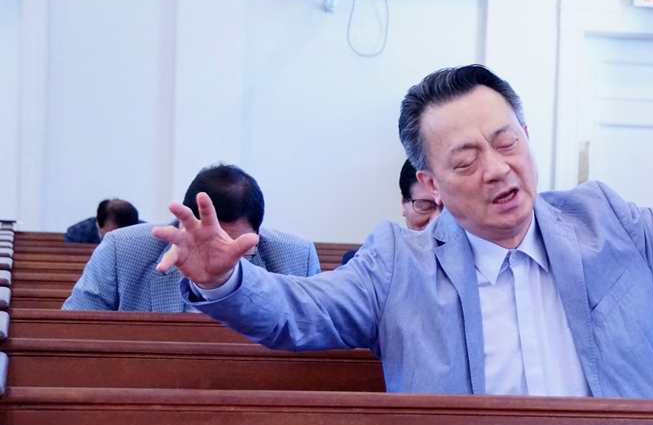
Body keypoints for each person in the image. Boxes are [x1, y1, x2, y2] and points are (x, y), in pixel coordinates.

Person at [153, 53, 653, 398]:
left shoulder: (607, 224)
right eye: (466, 158)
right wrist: (225, 279)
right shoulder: (397, 263)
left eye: (507, 140)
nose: (497, 169)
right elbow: (300, 313)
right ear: (431, 182)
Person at [63, 164, 321, 312]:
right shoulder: (121, 251)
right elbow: (75, 335)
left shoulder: (297, 258)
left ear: (257, 233)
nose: (220, 260)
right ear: (182, 223)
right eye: (207, 247)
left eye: (236, 249)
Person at [342, 159, 442, 265]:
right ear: (404, 203)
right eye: (425, 206)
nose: (437, 218)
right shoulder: (375, 263)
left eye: (446, 209)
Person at [64, 199, 140, 244]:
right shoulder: (76, 235)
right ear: (97, 223)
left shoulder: (144, 232)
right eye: (111, 235)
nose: (116, 242)